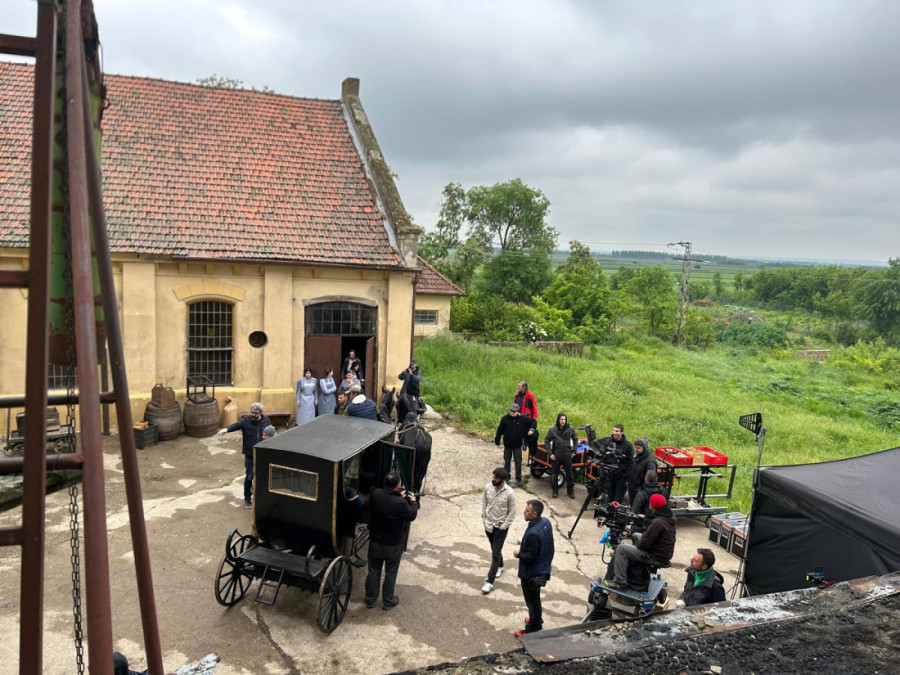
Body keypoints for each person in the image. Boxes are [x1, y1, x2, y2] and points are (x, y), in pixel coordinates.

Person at [365, 471, 419, 610]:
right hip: (392, 545)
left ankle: (370, 599)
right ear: (397, 485)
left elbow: (385, 499)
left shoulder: (376, 494)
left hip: (375, 542)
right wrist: (412, 501)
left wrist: (397, 495)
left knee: (373, 571)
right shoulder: (400, 503)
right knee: (390, 573)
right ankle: (388, 600)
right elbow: (412, 515)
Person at [606, 493, 676, 590]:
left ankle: (620, 582)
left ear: (653, 505)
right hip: (662, 552)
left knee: (621, 549)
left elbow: (644, 544)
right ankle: (633, 564)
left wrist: (636, 547)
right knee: (636, 535)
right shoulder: (668, 517)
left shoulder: (657, 522)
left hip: (655, 556)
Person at [218, 402, 271, 509]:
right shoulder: (246, 421)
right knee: (249, 476)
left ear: (260, 413)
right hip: (250, 454)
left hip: (262, 454)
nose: (253, 415)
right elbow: (235, 425)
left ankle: (259, 495)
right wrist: (226, 429)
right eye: (252, 412)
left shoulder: (266, 421)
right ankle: (247, 498)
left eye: (256, 413)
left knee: (261, 477)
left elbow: (270, 432)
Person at [513, 499, 554, 636]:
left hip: (532, 574)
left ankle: (532, 627)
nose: (524, 512)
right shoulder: (545, 523)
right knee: (535, 600)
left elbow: (530, 557)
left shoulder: (533, 534)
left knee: (532, 601)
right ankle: (536, 619)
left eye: (527, 511)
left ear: (535, 514)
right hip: (542, 568)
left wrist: (519, 555)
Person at [481, 467, 516, 594]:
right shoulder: (488, 487)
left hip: (500, 528)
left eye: (496, 478)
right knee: (494, 549)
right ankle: (500, 566)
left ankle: (489, 582)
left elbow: (512, 512)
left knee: (495, 553)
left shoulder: (510, 493)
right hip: (488, 525)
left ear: (502, 480)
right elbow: (484, 502)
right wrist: (484, 517)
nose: (493, 479)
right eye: (493, 476)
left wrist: (504, 526)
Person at [494, 403, 536, 485]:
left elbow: (533, 421)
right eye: (511, 411)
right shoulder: (505, 419)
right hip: (507, 446)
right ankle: (506, 478)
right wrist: (497, 441)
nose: (512, 412)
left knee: (518, 463)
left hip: (517, 446)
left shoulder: (523, 419)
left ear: (517, 411)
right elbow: (499, 430)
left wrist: (532, 429)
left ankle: (518, 478)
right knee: (507, 463)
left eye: (514, 411)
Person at [545, 412, 579, 499]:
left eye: (564, 419)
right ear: (558, 420)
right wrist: (550, 453)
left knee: (570, 475)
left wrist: (574, 451)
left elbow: (575, 439)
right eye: (561, 419)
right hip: (556, 455)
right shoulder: (552, 429)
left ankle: (570, 491)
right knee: (555, 474)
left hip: (567, 455)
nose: (563, 421)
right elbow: (547, 440)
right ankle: (555, 490)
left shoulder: (570, 429)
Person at [597, 423, 634, 504]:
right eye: (614, 430)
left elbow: (631, 463)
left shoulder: (628, 446)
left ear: (622, 433)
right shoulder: (608, 441)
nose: (615, 433)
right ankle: (609, 514)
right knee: (610, 498)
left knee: (618, 500)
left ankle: (615, 514)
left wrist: (626, 476)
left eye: (617, 431)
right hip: (609, 476)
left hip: (621, 477)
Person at [627, 439, 657, 505]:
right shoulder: (637, 457)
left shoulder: (650, 462)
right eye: (635, 447)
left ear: (644, 448)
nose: (635, 449)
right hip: (633, 490)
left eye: (638, 448)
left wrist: (642, 491)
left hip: (641, 493)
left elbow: (651, 481)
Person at [514, 381, 538, 456]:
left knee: (528, 436)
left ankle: (529, 453)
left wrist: (534, 420)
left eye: (519, 386)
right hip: (518, 418)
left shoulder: (530, 396)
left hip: (527, 420)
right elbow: (514, 405)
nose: (518, 387)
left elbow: (535, 409)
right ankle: (516, 452)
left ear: (524, 387)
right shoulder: (517, 394)